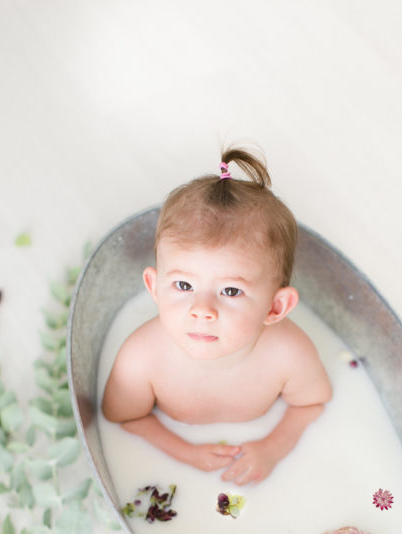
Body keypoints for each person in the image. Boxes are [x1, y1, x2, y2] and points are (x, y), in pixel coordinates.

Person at [102, 147, 333, 485]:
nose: (202, 310)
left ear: (275, 307)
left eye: (230, 291)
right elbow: (123, 418)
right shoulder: (141, 359)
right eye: (183, 284)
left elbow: (312, 403)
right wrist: (184, 452)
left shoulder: (289, 353)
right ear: (154, 287)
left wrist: (273, 447)